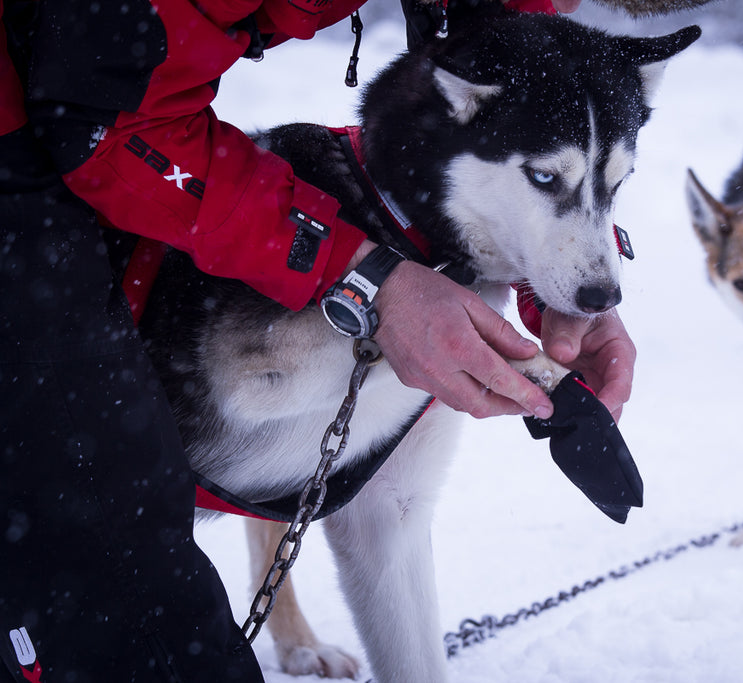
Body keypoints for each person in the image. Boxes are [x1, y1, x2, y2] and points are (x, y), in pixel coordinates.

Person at [0, 0, 635, 680]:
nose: (559, 8)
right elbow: (107, 119)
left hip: (91, 95)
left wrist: (555, 278)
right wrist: (366, 281)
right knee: (103, 565)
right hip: (45, 120)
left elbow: (493, 52)